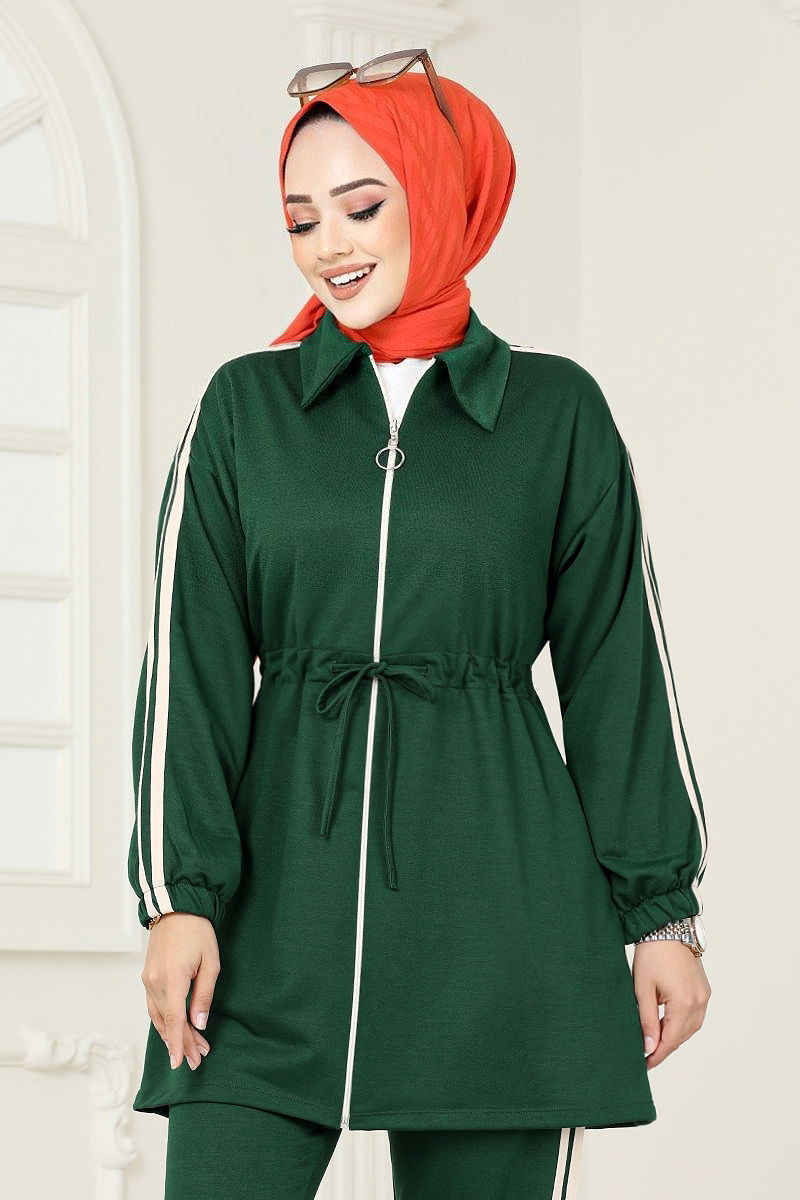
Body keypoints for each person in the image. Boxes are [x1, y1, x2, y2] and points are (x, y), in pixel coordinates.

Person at [128, 51, 712, 1199]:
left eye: (360, 206)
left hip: (499, 921)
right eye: (301, 219)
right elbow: (188, 668)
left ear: (442, 198)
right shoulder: (245, 407)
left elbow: (618, 673)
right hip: (267, 922)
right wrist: (177, 896)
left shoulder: (556, 414)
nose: (328, 245)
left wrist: (663, 917)